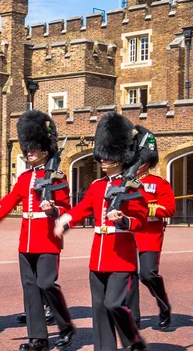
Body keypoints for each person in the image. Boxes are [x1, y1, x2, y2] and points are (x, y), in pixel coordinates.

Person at [54, 112, 148, 351]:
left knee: (114, 303)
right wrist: (65, 221)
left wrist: (124, 220)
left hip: (121, 257)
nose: (102, 161)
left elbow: (141, 219)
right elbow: (82, 208)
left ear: (119, 156)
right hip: (98, 257)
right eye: (102, 156)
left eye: (107, 157)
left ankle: (133, 340)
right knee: (99, 308)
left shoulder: (133, 186)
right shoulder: (97, 186)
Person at [0, 110, 75, 351]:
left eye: (33, 150)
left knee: (47, 284)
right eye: (27, 150)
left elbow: (66, 207)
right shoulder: (25, 178)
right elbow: (8, 202)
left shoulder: (57, 176)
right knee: (31, 290)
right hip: (26, 240)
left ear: (45, 151)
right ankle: (38, 338)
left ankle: (65, 324)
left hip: (48, 238)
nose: (29, 153)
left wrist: (53, 210)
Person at [127, 125, 175, 330]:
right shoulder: (123, 182)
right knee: (128, 275)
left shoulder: (159, 183)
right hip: (127, 234)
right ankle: (133, 319)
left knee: (147, 274)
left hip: (149, 234)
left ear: (145, 162)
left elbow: (170, 209)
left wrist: (150, 210)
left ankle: (164, 307)